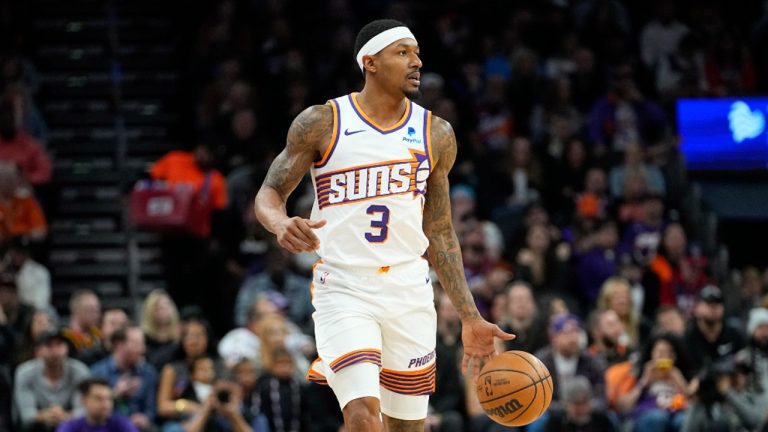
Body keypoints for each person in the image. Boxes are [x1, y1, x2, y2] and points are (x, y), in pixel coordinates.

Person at [253, 19, 514, 431]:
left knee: (406, 427)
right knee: (361, 415)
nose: (417, 61)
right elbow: (268, 192)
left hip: (409, 288)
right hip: (344, 286)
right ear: (370, 62)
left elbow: (441, 231)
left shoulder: (436, 133)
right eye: (403, 53)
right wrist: (279, 222)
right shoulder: (323, 121)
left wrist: (469, 315)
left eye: (417, 53)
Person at [14, 328, 91, 431]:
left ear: (67, 348)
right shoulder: (25, 372)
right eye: (49, 345)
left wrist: (64, 416)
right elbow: (27, 414)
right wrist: (46, 416)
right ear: (38, 351)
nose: (55, 351)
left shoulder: (80, 371)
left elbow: (84, 411)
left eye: (59, 344)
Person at [90, 326, 158, 430]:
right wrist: (115, 394)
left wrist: (145, 419)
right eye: (136, 344)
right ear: (119, 345)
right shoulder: (97, 373)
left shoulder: (148, 372)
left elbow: (151, 408)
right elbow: (91, 411)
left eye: (142, 344)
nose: (143, 349)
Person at [55, 378, 138, 432]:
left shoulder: (122, 424)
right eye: (99, 398)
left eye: (108, 398)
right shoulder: (71, 427)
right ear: (83, 400)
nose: (106, 404)